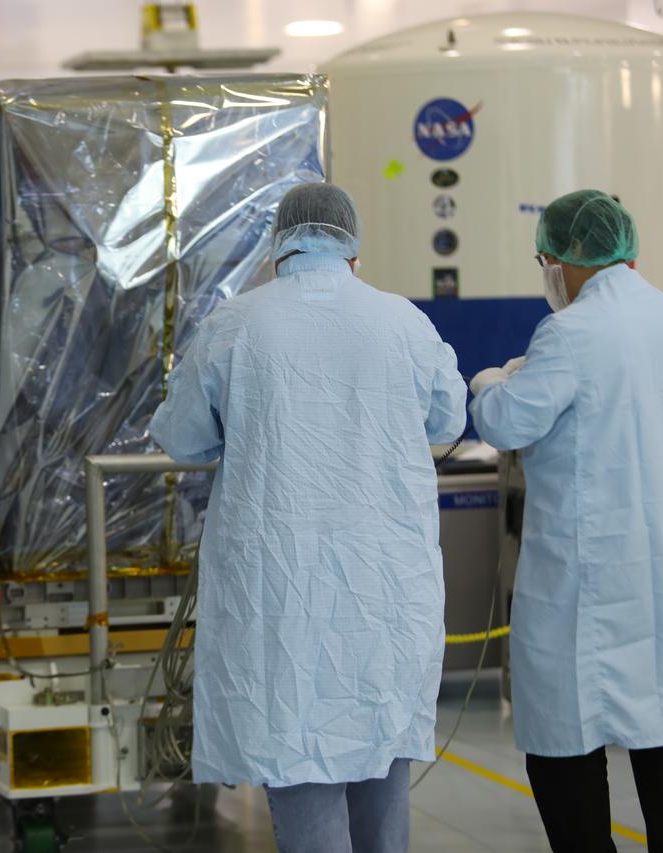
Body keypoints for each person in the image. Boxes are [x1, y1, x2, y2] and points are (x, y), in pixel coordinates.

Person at [149, 183, 466, 853]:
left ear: (280, 244)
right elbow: (449, 417)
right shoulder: (401, 321)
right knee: (378, 750)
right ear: (352, 248)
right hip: (382, 585)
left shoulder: (237, 323)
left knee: (296, 748)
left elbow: (180, 434)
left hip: (280, 590)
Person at [468, 190, 663, 853]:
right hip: (662, 563)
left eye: (546, 259)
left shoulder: (571, 331)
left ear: (572, 257)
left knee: (563, 740)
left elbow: (508, 420)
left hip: (589, 574)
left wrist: (489, 382)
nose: (548, 274)